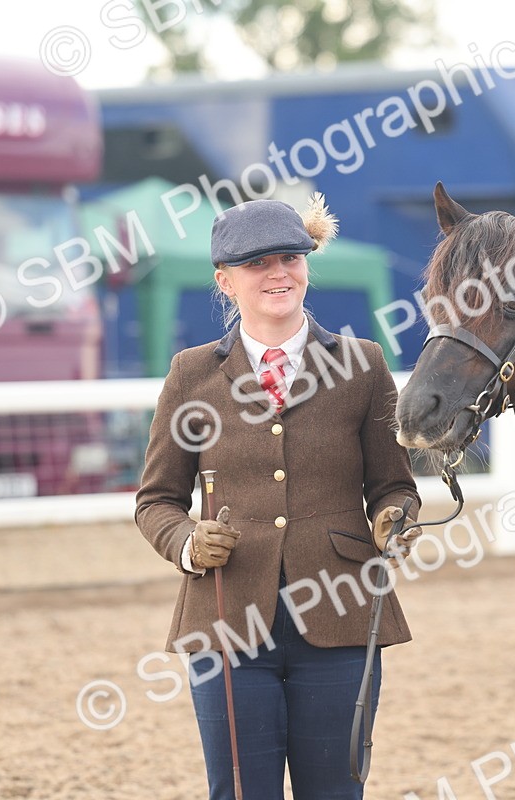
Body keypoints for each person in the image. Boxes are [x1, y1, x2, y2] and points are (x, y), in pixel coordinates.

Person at [133, 194, 421, 799]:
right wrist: (186, 541)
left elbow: (393, 484)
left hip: (341, 615)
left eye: (289, 257)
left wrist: (396, 516)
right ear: (225, 281)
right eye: (257, 263)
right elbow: (155, 500)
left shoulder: (363, 364)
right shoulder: (192, 374)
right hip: (226, 617)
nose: (277, 273)